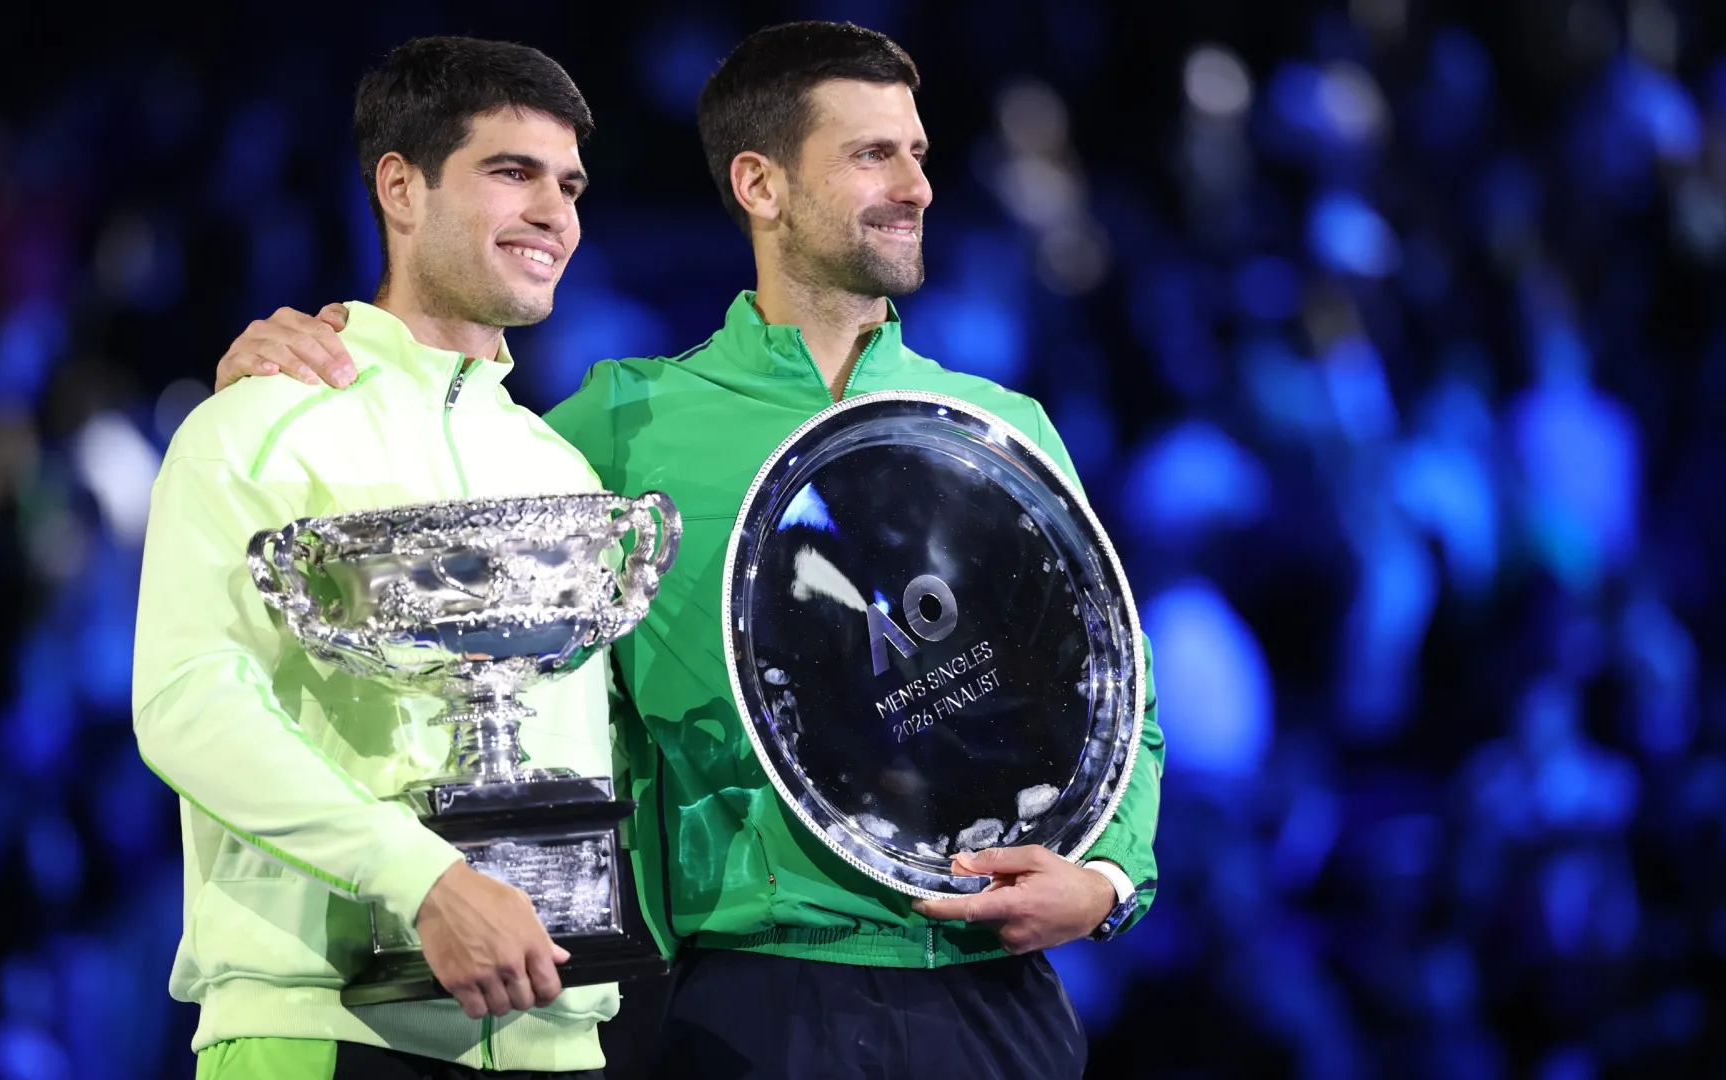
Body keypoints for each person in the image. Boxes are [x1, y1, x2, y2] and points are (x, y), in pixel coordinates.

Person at [215, 22, 1165, 1078]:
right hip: (754, 999)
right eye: (872, 155)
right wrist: (326, 361)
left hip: (996, 990)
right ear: (760, 184)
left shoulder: (1003, 428)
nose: (918, 185)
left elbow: (1115, 690)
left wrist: (1113, 883)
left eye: (919, 153)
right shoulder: (623, 425)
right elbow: (447, 484)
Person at [133, 37, 623, 1080]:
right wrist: (421, 880)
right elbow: (185, 698)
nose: (555, 214)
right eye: (512, 173)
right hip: (324, 1028)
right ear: (400, 187)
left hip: (557, 1038)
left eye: (569, 184)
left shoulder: (563, 468)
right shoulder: (260, 423)